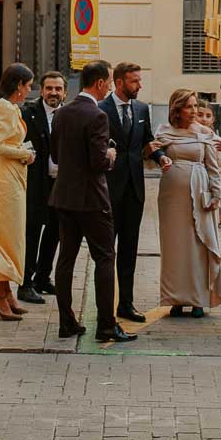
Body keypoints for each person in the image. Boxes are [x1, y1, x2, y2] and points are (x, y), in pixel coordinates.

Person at [49, 59, 137, 344]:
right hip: (92, 198)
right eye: (110, 81)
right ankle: (106, 326)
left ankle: (67, 322)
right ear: (99, 83)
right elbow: (98, 161)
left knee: (65, 259)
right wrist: (111, 154)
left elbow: (56, 156)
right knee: (104, 258)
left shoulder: (61, 113)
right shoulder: (98, 116)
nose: (111, 86)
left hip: (64, 196)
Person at [99, 60, 169, 321]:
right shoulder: (101, 109)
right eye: (134, 81)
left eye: (140, 80)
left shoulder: (141, 108)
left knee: (129, 249)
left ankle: (125, 304)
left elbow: (147, 140)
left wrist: (161, 157)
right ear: (119, 83)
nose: (140, 85)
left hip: (134, 190)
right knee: (107, 252)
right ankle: (105, 308)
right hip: (108, 190)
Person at [154, 89, 221, 317]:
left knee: (197, 246)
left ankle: (198, 300)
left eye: (196, 106)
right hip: (171, 197)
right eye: (189, 106)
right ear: (177, 109)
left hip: (199, 193)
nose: (195, 111)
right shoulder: (164, 131)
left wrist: (217, 195)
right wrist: (160, 157)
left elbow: (213, 167)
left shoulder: (204, 133)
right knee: (175, 247)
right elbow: (152, 155)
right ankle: (176, 298)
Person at [0, 62, 36, 321]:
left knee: (13, 236)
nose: (30, 90)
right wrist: (25, 153)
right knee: (2, 235)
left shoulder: (11, 107)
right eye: (28, 85)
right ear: (18, 85)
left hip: (15, 176)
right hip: (4, 177)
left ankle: (7, 290)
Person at [18, 70, 66, 304]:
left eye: (58, 89)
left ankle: (43, 278)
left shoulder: (68, 114)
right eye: (49, 88)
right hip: (35, 182)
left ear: (65, 92)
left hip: (61, 183)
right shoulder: (27, 113)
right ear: (42, 90)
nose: (53, 93)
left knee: (55, 231)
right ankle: (25, 283)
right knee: (32, 232)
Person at [194, 101, 221, 224]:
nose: (204, 119)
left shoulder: (217, 142)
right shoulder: (186, 137)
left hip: (209, 194)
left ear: (213, 119)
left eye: (208, 116)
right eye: (200, 115)